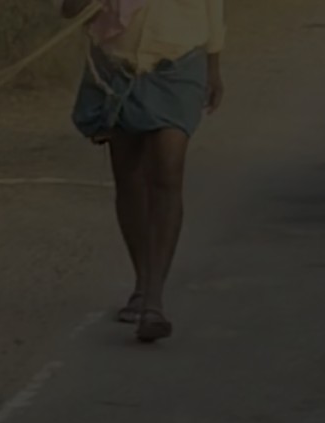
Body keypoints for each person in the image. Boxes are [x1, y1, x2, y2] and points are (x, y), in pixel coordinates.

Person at [58, 0, 225, 342]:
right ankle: (142, 282)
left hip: (179, 62)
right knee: (129, 177)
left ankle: (153, 299)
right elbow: (71, 9)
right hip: (116, 65)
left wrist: (213, 65)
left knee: (167, 170)